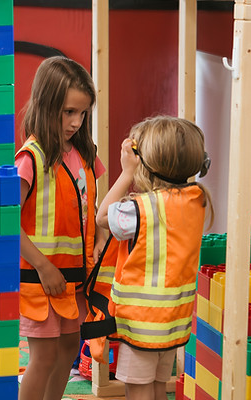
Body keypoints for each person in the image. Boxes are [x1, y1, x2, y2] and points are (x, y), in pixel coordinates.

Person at [95, 115, 214, 400]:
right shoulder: (197, 200)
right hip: (173, 320)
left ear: (145, 164)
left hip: (141, 324)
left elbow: (101, 217)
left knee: (138, 391)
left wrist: (125, 174)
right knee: (159, 388)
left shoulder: (140, 209)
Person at [16, 56, 107, 400]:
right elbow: (5, 223)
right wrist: (42, 265)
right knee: (44, 357)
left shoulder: (84, 153)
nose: (75, 121)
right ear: (46, 105)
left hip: (75, 279)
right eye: (68, 112)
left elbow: (88, 205)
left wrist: (99, 235)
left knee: (69, 348)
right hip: (42, 278)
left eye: (82, 113)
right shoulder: (31, 159)